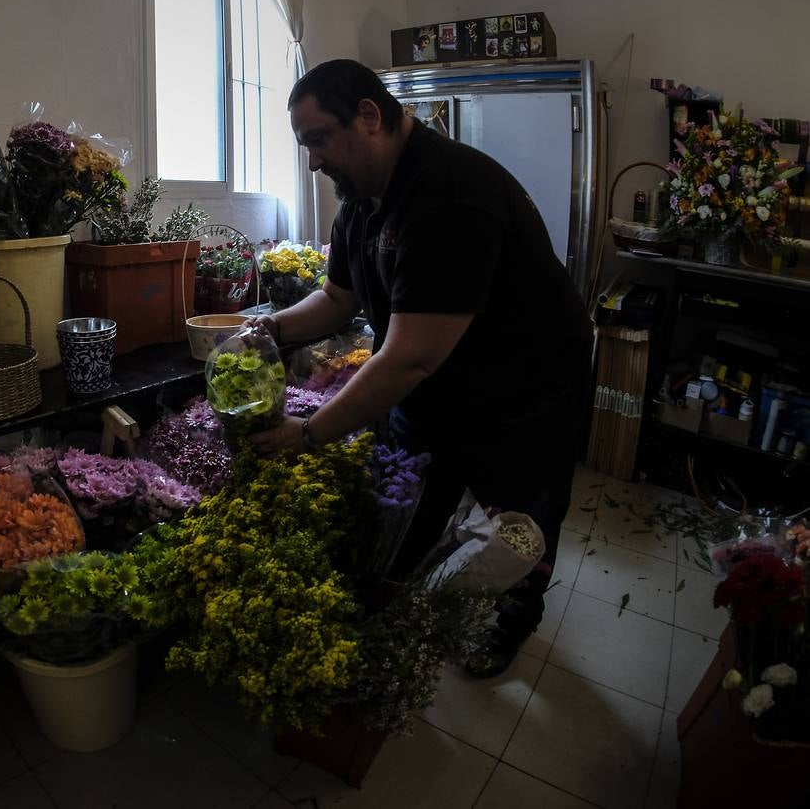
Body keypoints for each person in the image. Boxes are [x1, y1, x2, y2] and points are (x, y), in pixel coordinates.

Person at [248, 59, 593, 677]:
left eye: (318, 139)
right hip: (438, 389)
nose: (313, 162)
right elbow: (337, 299)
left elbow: (410, 356)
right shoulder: (360, 200)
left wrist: (309, 433)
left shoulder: (450, 192)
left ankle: (513, 620)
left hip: (524, 392)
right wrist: (270, 328)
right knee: (404, 513)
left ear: (369, 116)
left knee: (520, 530)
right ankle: (402, 598)